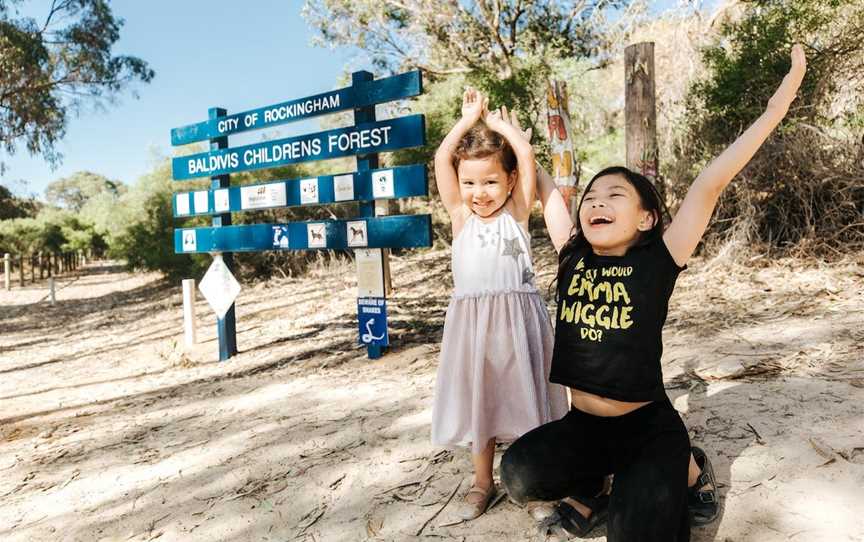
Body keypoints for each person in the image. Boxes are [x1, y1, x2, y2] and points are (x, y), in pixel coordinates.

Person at [500, 45, 806, 541]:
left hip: (647, 429)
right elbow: (548, 192)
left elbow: (710, 183)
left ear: (646, 218)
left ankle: (688, 468)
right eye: (592, 198)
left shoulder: (657, 260)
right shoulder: (573, 256)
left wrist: (775, 109)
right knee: (518, 474)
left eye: (614, 196)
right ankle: (599, 488)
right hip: (585, 428)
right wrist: (517, 142)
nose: (597, 203)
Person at [431, 87, 569, 520]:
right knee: (482, 404)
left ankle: (537, 488)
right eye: (470, 182)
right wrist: (469, 119)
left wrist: (498, 127)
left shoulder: (518, 214)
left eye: (490, 181)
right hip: (474, 329)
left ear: (509, 182)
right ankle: (482, 482)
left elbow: (525, 157)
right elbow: (441, 160)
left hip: (518, 323)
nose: (479, 192)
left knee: (528, 402)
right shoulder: (461, 219)